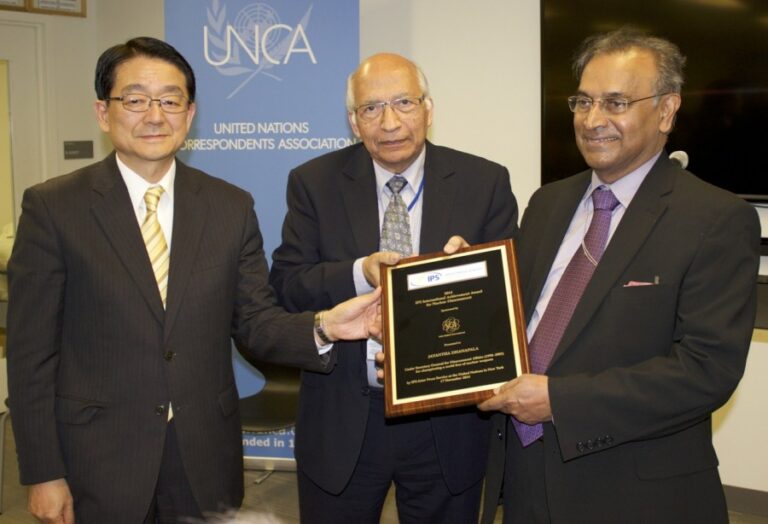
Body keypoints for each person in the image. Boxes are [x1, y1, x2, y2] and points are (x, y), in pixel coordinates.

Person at [6, 37, 381, 524]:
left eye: (170, 100)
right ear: (104, 112)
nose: (154, 115)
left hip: (202, 456)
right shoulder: (54, 208)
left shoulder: (228, 206)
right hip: (96, 458)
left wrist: (327, 325)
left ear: (190, 113)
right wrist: (43, 472)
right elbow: (32, 353)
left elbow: (255, 322)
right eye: (135, 99)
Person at [476, 28, 760, 523]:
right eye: (583, 101)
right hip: (525, 478)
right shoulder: (548, 203)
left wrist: (557, 402)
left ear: (667, 110)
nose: (592, 120)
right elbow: (517, 322)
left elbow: (705, 371)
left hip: (634, 494)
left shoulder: (715, 218)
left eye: (616, 102)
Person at [268, 53, 519, 523]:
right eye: (371, 108)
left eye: (404, 102)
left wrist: (474, 273)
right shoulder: (314, 183)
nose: (389, 121)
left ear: (428, 108)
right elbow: (286, 286)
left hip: (446, 424)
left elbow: (510, 304)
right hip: (346, 414)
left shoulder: (483, 182)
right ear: (353, 121)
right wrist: (360, 270)